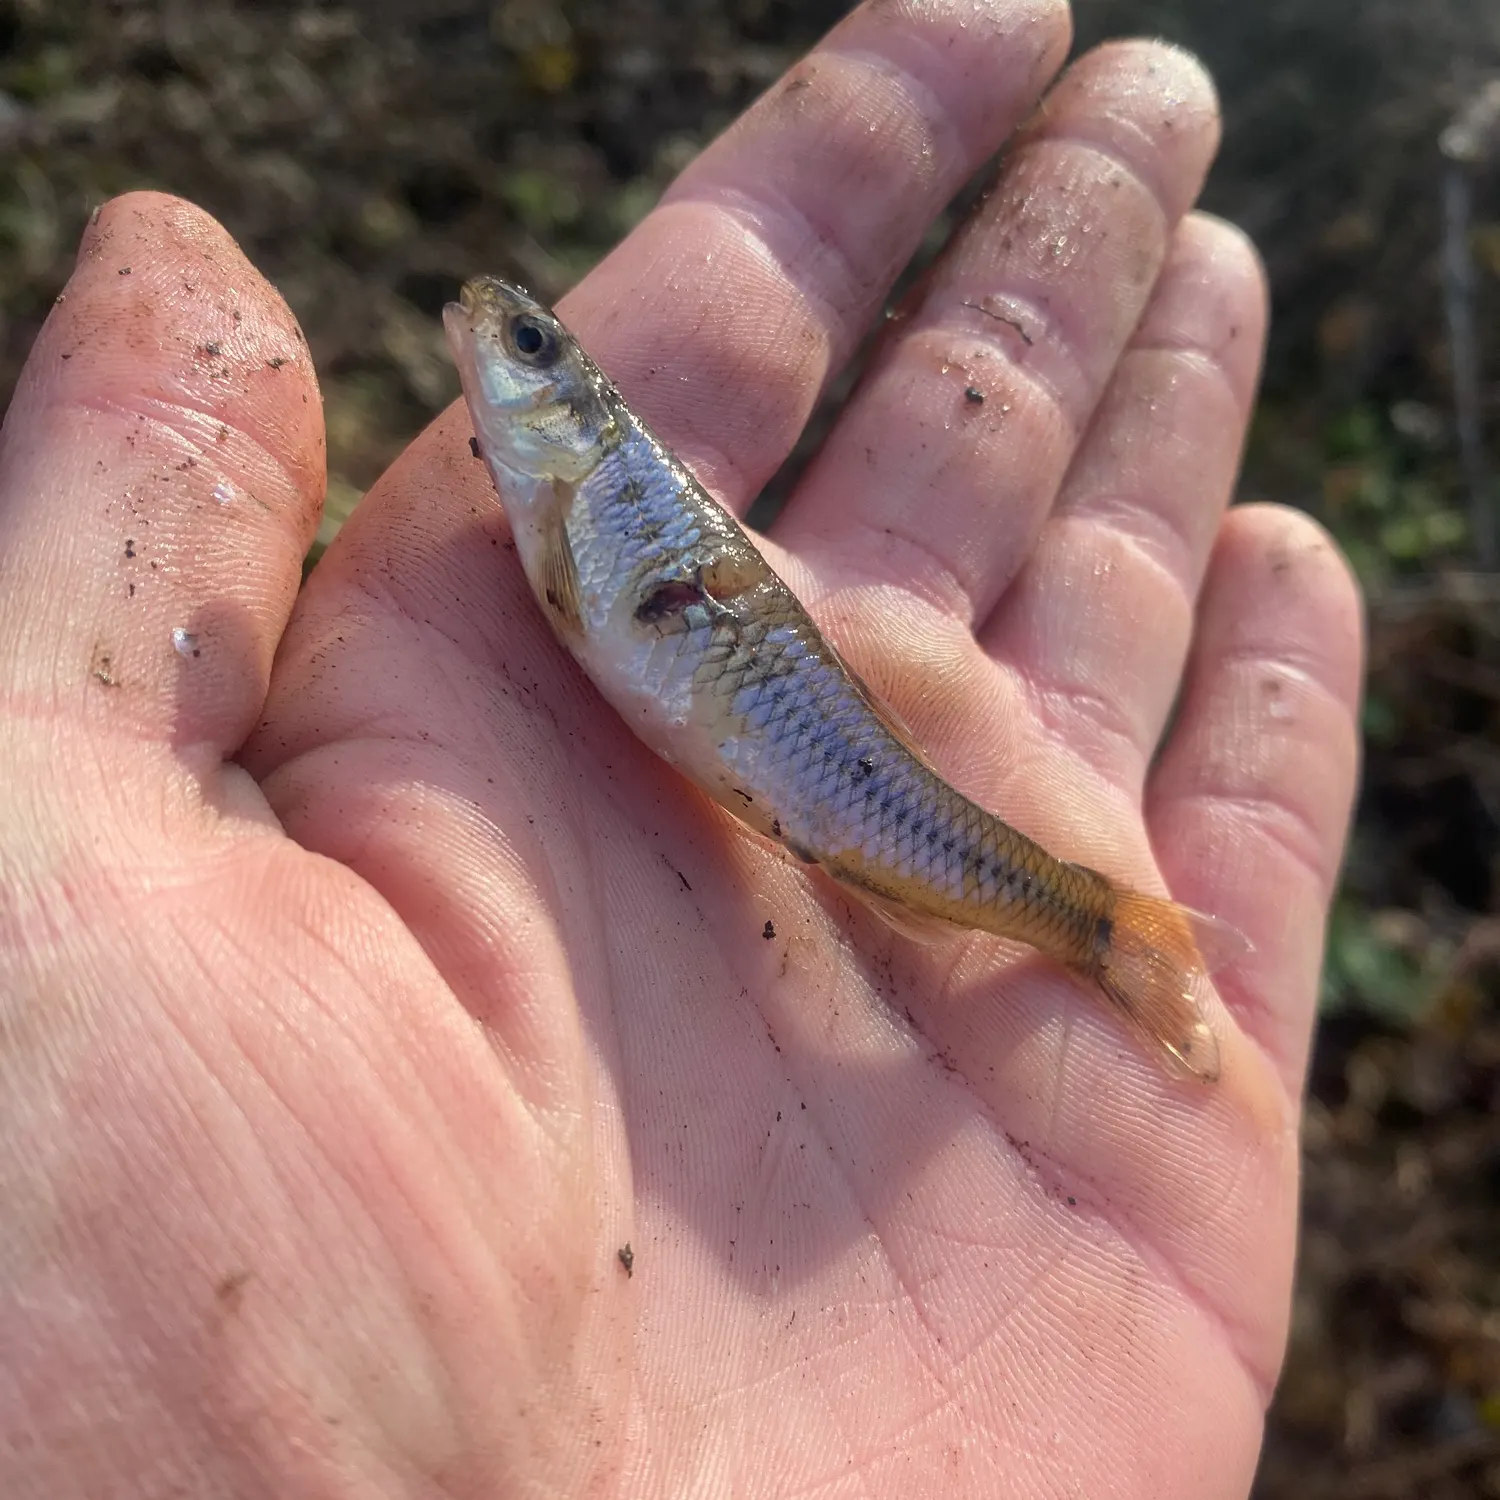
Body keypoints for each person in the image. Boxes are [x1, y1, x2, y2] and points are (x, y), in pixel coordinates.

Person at [0, 2, 1361, 1495]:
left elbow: (590, 584)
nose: (492, 340)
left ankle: (1087, 921)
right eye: (516, 338)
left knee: (887, 823)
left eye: (525, 347)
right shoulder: (561, 497)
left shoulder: (593, 496)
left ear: (572, 412)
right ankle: (1083, 920)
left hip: (812, 762)